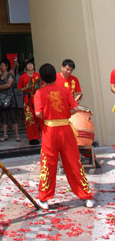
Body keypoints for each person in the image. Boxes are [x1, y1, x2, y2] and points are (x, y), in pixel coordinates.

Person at [34, 62, 93, 210]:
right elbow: (75, 108)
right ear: (55, 75)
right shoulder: (64, 90)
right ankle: (86, 196)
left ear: (42, 78)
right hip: (66, 129)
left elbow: (38, 113)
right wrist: (64, 114)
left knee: (48, 164)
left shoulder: (39, 93)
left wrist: (49, 116)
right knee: (74, 162)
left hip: (50, 131)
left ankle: (44, 199)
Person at [0, 59, 20, 143]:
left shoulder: (10, 75)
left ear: (7, 66)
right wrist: (3, 86)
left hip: (10, 98)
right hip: (1, 99)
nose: (1, 67)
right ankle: (5, 134)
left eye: (3, 65)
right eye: (0, 65)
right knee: (4, 117)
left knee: (13, 116)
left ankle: (17, 134)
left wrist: (0, 86)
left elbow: (8, 85)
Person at [17, 59, 41, 145]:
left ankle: (43, 135)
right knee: (30, 118)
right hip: (27, 98)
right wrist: (26, 87)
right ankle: (33, 137)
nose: (30, 66)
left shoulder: (38, 75)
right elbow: (19, 89)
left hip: (37, 97)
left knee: (40, 118)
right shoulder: (23, 77)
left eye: (31, 64)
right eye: (28, 64)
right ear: (25, 67)